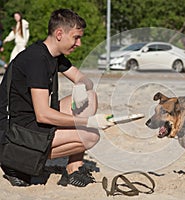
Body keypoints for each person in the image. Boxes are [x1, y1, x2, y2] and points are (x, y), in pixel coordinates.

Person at [0, 9, 112, 187]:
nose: (79, 43)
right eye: (76, 37)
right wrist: (88, 121)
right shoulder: (36, 60)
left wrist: (81, 87)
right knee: (90, 136)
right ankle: (17, 164)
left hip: (32, 123)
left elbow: (84, 80)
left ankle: (73, 170)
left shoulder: (52, 55)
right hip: (16, 135)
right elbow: (43, 115)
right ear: (59, 34)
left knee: (90, 97)